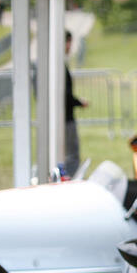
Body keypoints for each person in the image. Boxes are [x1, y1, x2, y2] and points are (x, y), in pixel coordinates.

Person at [63, 31, 86, 178]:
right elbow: (64, 94)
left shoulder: (58, 64)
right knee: (72, 155)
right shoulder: (57, 65)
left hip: (65, 116)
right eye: (68, 41)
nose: (70, 46)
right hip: (65, 117)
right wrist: (78, 102)